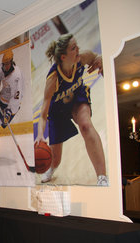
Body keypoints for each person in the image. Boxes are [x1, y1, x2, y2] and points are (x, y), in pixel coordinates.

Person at [34, 33, 108, 186]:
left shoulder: (82, 58)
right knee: (56, 159)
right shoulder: (53, 79)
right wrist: (40, 135)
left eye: (77, 46)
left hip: (77, 99)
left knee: (86, 125)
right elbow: (43, 115)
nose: (78, 49)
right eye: (73, 48)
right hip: (58, 110)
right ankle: (52, 168)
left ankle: (101, 176)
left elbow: (96, 57)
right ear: (63, 57)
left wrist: (101, 60)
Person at [0, 49, 25, 154]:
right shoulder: (1, 68)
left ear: (11, 62)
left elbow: (17, 97)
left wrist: (9, 112)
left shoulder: (17, 76)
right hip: (1, 99)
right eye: (4, 64)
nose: (6, 66)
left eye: (8, 64)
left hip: (12, 105)